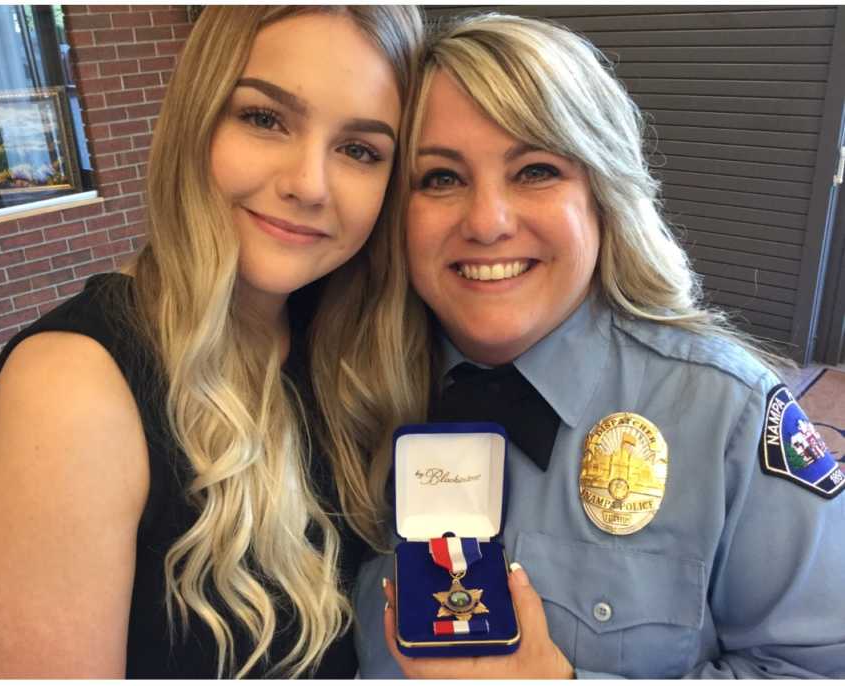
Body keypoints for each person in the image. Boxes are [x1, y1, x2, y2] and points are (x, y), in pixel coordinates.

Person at [354, 13, 845, 679]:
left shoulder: (726, 413)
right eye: (441, 178)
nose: (488, 222)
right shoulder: (345, 397)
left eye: (534, 169)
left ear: (602, 195)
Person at [0, 6, 427, 678]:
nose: (308, 184)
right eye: (265, 118)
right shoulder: (69, 391)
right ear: (195, 119)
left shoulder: (342, 350)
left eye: (359, 150)